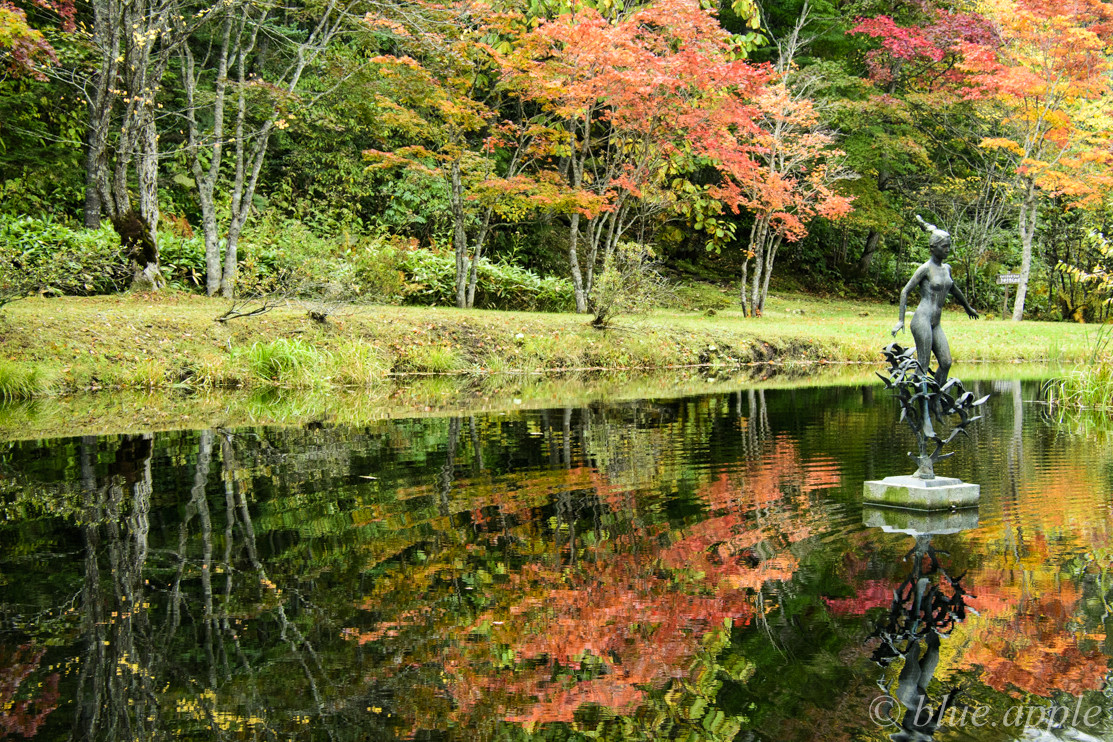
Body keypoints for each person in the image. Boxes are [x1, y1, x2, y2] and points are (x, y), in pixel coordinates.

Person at [891, 215, 978, 384]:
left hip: (936, 322)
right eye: (944, 247)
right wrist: (900, 320)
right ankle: (920, 404)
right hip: (922, 320)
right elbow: (905, 291)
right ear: (933, 248)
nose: (947, 250)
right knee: (923, 364)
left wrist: (967, 308)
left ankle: (935, 400)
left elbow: (954, 289)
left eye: (948, 246)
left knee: (946, 363)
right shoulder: (925, 269)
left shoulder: (947, 269)